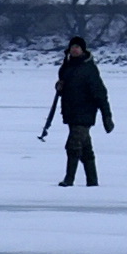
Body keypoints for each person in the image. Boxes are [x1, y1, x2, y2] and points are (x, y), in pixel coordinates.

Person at [47, 35, 114, 186]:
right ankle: (92, 182)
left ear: (83, 49)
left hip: (85, 113)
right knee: (85, 149)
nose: (74, 50)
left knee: (73, 145)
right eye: (72, 47)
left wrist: (107, 116)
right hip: (71, 112)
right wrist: (59, 87)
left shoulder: (89, 69)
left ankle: (69, 180)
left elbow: (100, 94)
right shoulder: (67, 66)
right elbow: (67, 87)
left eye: (77, 47)